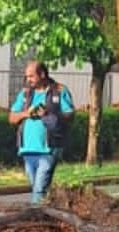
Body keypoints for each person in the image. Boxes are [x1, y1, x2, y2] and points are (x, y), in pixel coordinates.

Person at [8, 60, 75, 204]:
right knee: (39, 188)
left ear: (42, 74)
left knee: (39, 189)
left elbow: (70, 115)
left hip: (49, 148)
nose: (28, 80)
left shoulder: (59, 90)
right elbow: (12, 117)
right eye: (27, 76)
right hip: (27, 149)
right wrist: (26, 113)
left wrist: (47, 114)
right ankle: (51, 211)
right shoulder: (25, 94)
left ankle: (34, 216)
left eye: (31, 76)